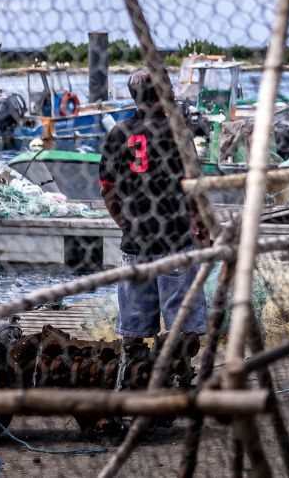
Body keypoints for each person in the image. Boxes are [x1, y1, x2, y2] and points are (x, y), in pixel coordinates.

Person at [99, 68, 208, 389]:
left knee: (132, 328)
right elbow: (193, 190)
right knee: (182, 325)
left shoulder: (118, 132)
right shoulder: (178, 132)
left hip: (135, 244)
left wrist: (125, 222)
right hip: (175, 238)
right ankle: (178, 377)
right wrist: (200, 229)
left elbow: (107, 187)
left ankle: (131, 378)